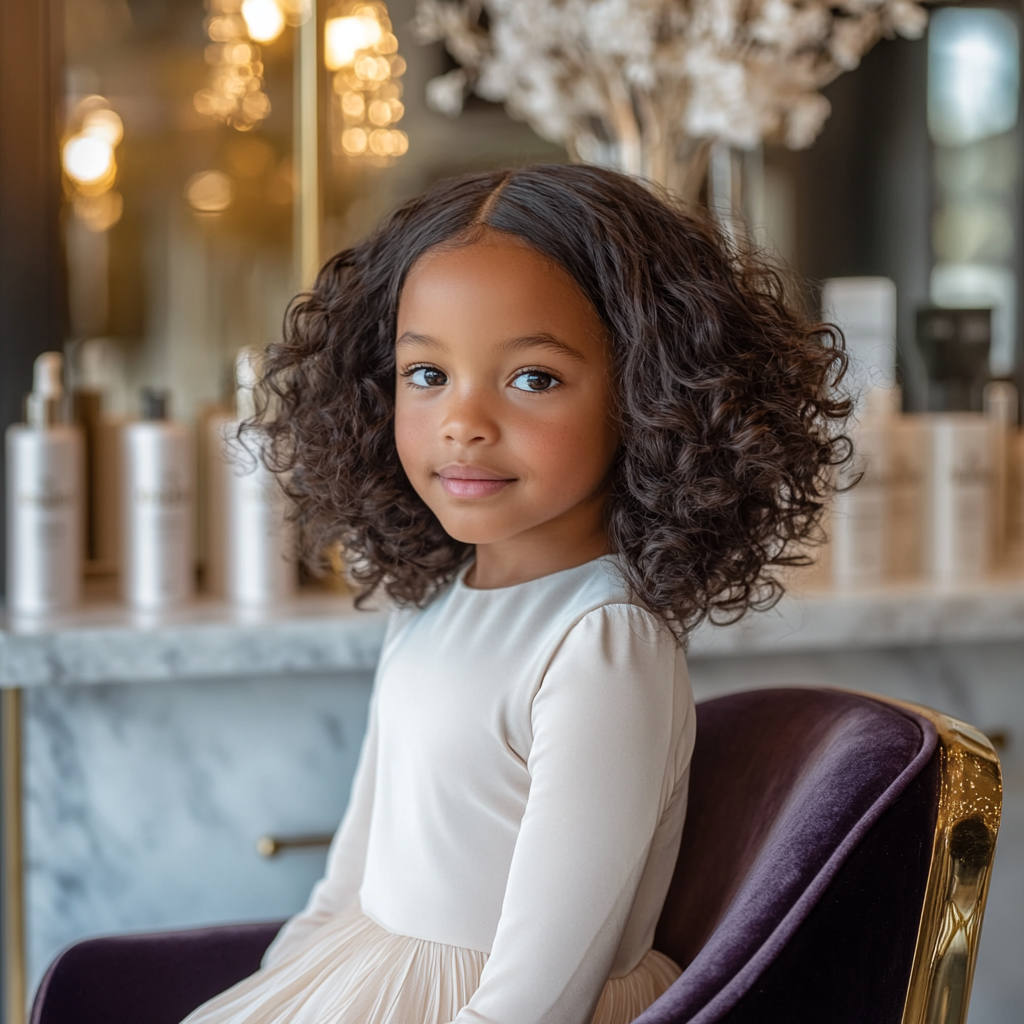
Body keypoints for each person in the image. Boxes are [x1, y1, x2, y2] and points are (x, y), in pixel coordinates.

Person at [183, 164, 850, 1024]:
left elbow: (543, 988)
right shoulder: (430, 604)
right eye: (427, 375)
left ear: (650, 399)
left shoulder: (603, 642)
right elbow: (345, 884)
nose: (464, 422)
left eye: (531, 377)